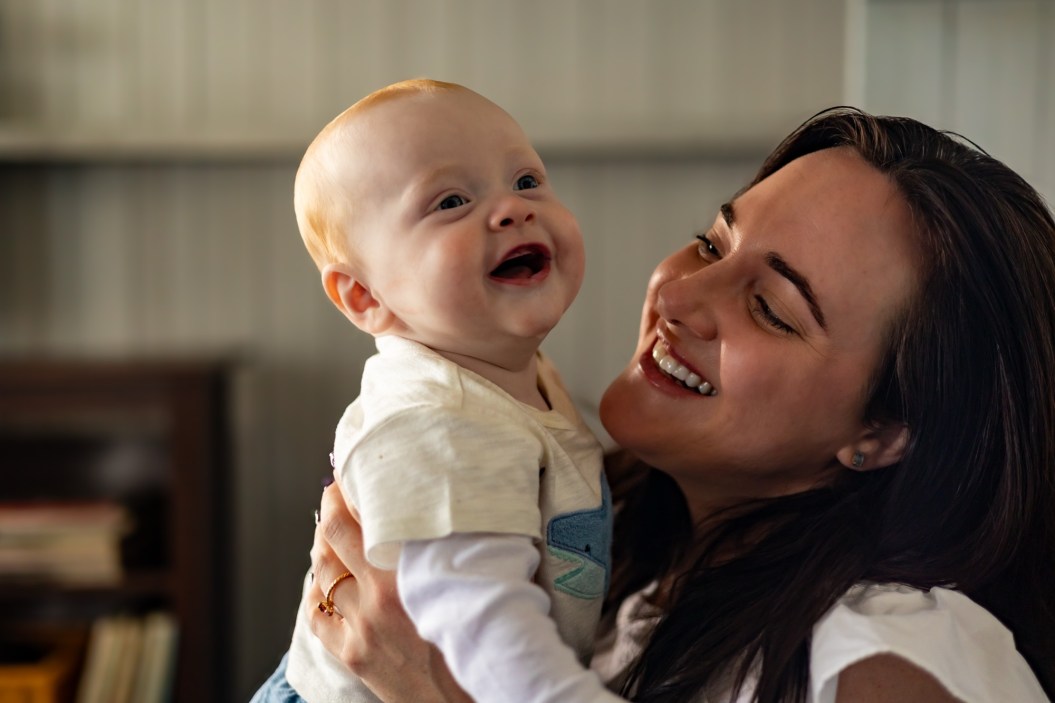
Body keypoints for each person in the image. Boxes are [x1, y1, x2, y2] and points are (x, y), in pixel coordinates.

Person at [299, 107, 1055, 702]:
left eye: (769, 307)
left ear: (884, 429)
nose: (679, 295)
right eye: (711, 244)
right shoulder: (620, 557)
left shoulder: (892, 655)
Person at [251, 79, 619, 702]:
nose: (512, 209)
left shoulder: (518, 378)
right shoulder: (436, 422)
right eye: (450, 201)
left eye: (526, 181)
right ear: (364, 296)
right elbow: (481, 627)